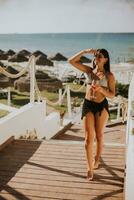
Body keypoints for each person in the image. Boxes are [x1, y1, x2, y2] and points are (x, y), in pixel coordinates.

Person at [68, 48, 115, 181]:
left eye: (100, 56)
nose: (97, 57)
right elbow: (71, 61)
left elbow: (112, 95)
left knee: (99, 135)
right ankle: (89, 168)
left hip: (101, 106)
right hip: (88, 105)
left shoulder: (109, 75)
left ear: (105, 59)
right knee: (88, 139)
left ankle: (97, 159)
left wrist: (101, 89)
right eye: (96, 55)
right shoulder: (89, 71)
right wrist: (84, 51)